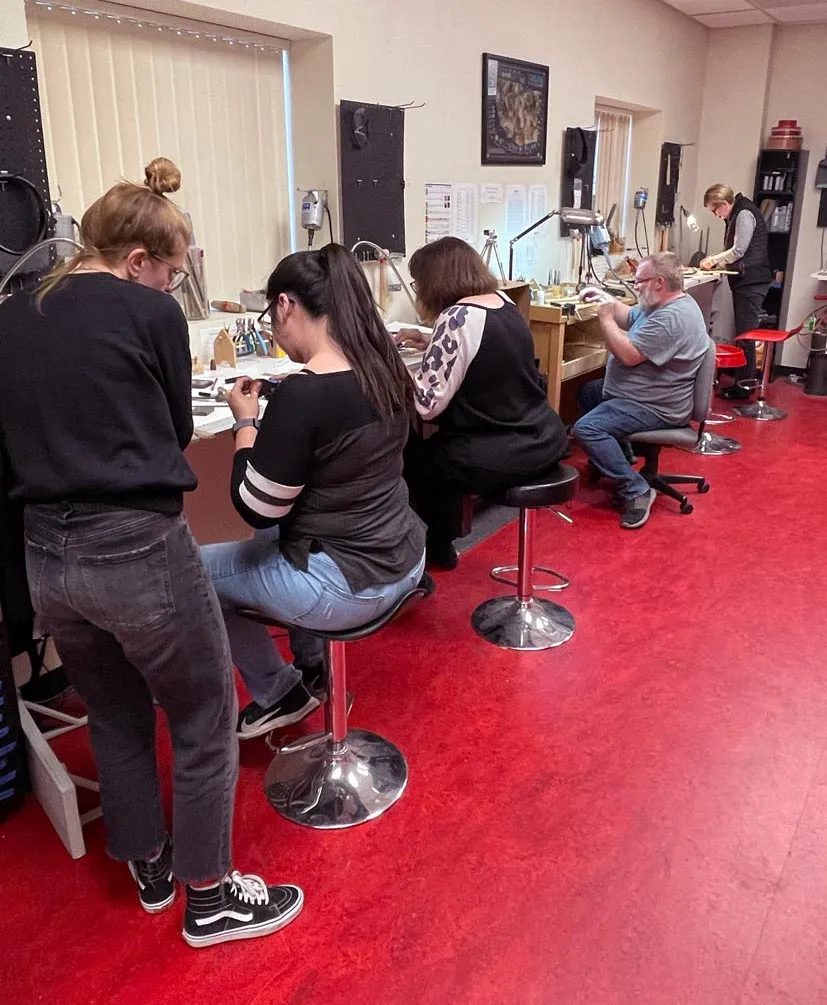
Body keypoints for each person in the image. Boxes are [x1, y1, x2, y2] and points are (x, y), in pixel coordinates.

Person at [0, 158, 303, 949]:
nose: (173, 287)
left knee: (112, 708)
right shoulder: (148, 313)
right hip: (136, 547)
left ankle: (149, 864)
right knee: (204, 714)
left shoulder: (11, 314)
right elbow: (172, 429)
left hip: (45, 556)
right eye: (171, 273)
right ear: (138, 261)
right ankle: (211, 899)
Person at [200, 244, 426, 740]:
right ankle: (306, 668)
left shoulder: (306, 392)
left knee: (191, 569)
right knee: (266, 546)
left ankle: (279, 691)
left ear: (285, 305)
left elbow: (257, 508)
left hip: (345, 583)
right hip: (403, 556)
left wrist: (245, 424)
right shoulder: (385, 366)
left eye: (270, 316)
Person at [394, 237, 568, 570]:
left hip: (504, 452)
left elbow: (425, 405)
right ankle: (441, 542)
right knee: (440, 447)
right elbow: (484, 348)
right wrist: (430, 341)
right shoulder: (502, 303)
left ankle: (436, 547)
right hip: (544, 437)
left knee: (412, 452)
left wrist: (390, 368)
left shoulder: (456, 317)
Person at [573, 252, 709, 530]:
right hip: (645, 393)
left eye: (639, 282)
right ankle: (621, 457)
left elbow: (629, 355)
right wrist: (605, 300)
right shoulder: (662, 303)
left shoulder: (672, 317)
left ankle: (636, 490)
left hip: (656, 405)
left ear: (659, 282)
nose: (635, 287)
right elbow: (630, 316)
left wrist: (605, 320)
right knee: (588, 392)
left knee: (586, 429)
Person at [700, 183, 771, 399]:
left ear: (723, 204)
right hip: (748, 282)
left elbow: (739, 250)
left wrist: (714, 260)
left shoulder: (743, 214)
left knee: (745, 336)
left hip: (752, 283)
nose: (716, 215)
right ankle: (742, 384)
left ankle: (743, 388)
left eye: (715, 210)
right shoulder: (738, 213)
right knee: (743, 335)